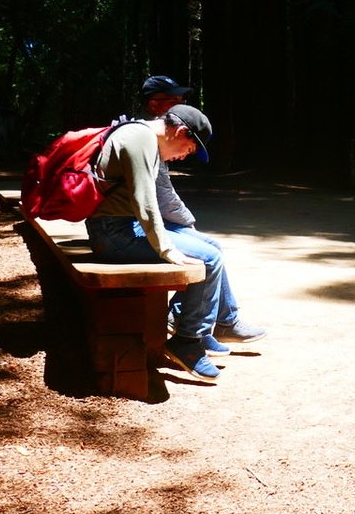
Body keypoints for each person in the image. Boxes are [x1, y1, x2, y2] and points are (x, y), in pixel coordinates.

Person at [85, 103, 261, 381]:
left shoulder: (144, 138)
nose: (183, 157)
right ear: (179, 131)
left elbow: (156, 201)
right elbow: (146, 203)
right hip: (113, 234)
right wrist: (167, 249)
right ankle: (187, 341)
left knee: (211, 247)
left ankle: (211, 327)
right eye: (188, 150)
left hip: (123, 227)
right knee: (208, 259)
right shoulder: (138, 139)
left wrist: (185, 231)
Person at [137, 76, 267, 354]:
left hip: (138, 222)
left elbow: (161, 194)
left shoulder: (152, 137)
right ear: (154, 105)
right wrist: (189, 224)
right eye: (174, 101)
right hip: (129, 227)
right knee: (207, 252)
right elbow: (160, 197)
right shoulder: (144, 139)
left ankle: (220, 321)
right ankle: (193, 324)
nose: (180, 105)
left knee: (211, 247)